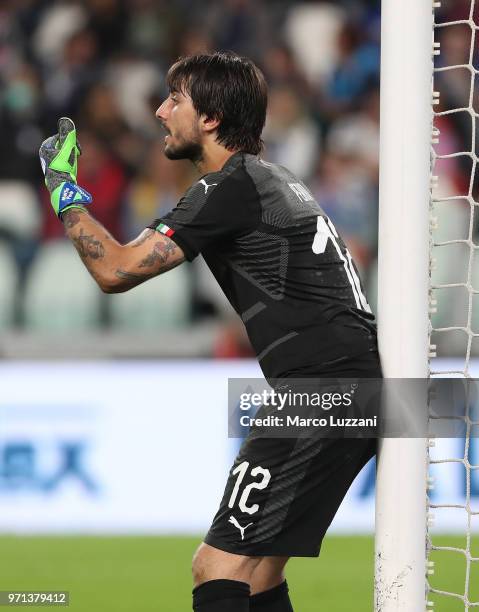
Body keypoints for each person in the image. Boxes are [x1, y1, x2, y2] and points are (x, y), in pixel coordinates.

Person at [39, 51, 382, 612]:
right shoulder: (273, 180)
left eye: (175, 99)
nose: (159, 111)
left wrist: (61, 187)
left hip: (323, 391)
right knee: (259, 575)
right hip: (353, 386)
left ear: (211, 118)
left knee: (216, 567)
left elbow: (115, 270)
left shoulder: (230, 186)